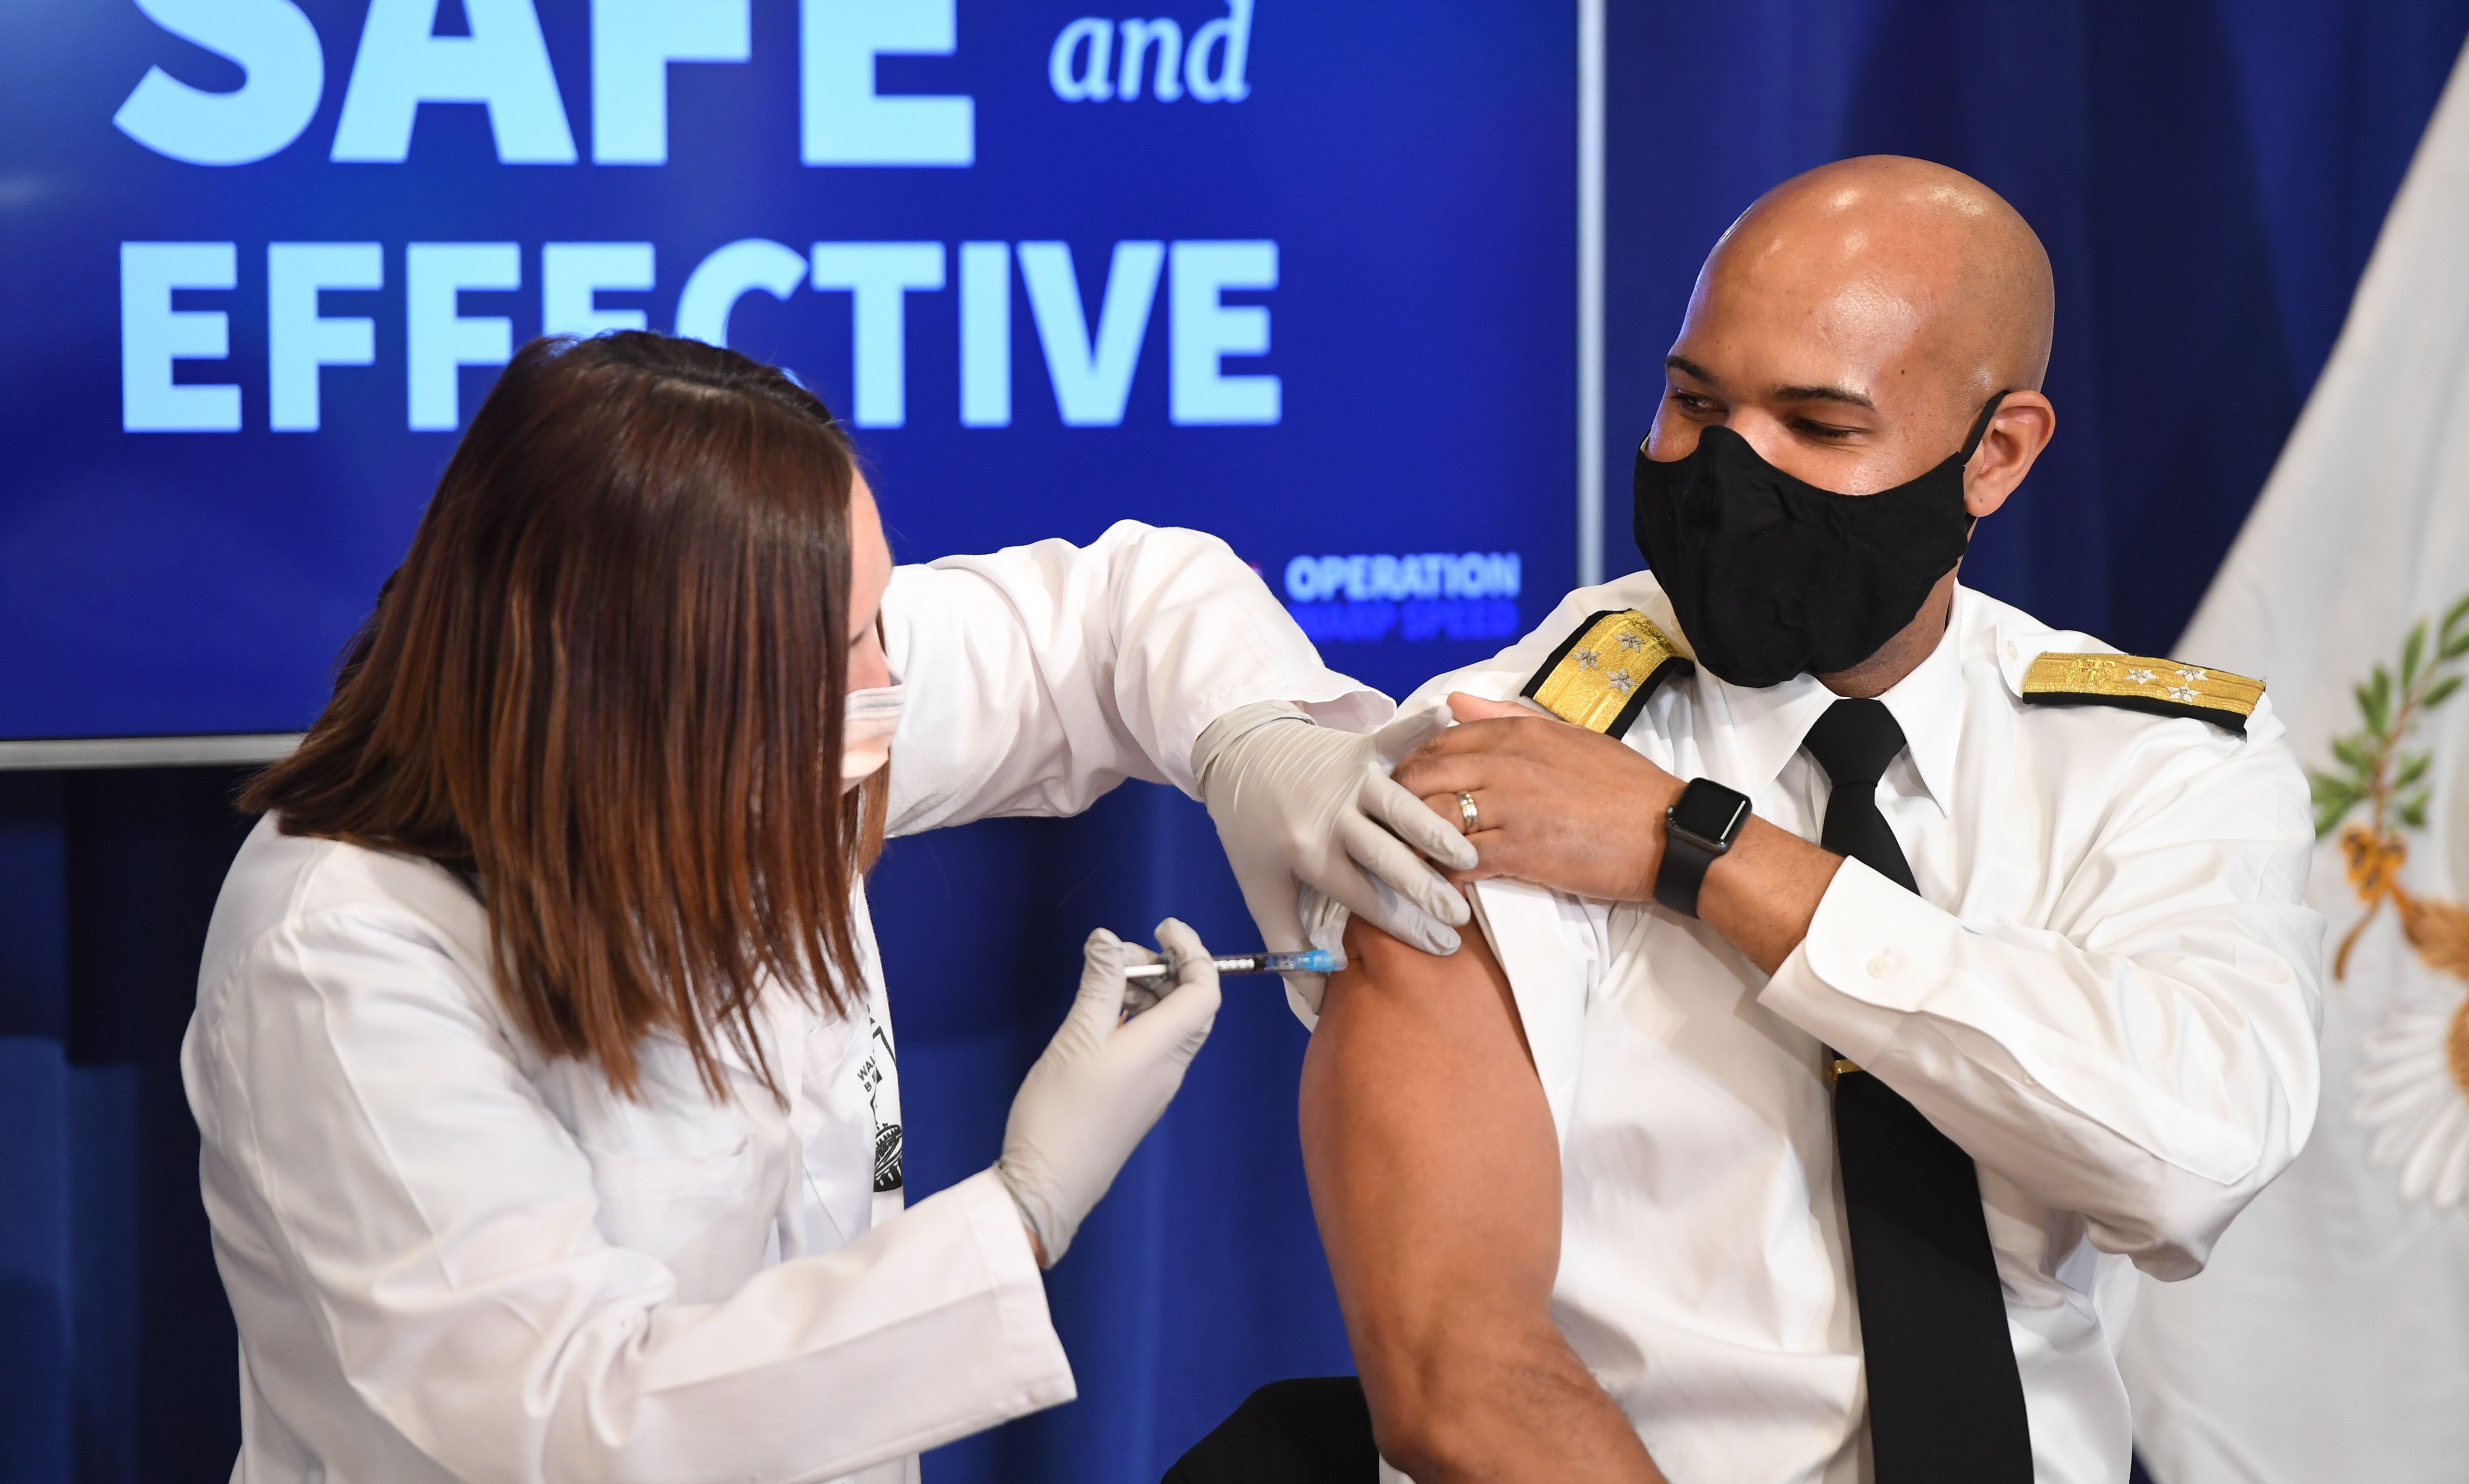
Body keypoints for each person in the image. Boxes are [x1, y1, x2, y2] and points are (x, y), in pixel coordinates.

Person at [1191, 158, 2325, 1484]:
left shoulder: (2148, 762)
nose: (1728, 474)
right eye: (1694, 404)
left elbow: (2194, 1161)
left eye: (1819, 427)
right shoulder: (1512, 747)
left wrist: (1703, 852)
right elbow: (1462, 1384)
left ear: (1998, 454)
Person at [182, 332, 1476, 1484]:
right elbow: (575, 1426)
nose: (891, 683)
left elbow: (1118, 613)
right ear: (651, 687)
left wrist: (1253, 742)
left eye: (876, 620)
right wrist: (1020, 1213)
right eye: (848, 646)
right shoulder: (344, 954)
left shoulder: (762, 722)